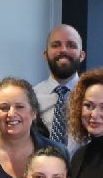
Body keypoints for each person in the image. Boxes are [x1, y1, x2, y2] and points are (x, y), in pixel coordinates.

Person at [33, 24, 86, 153]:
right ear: (45, 55)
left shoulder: (93, 97)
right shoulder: (31, 96)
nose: (63, 50)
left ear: (82, 55)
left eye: (71, 45)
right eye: (56, 45)